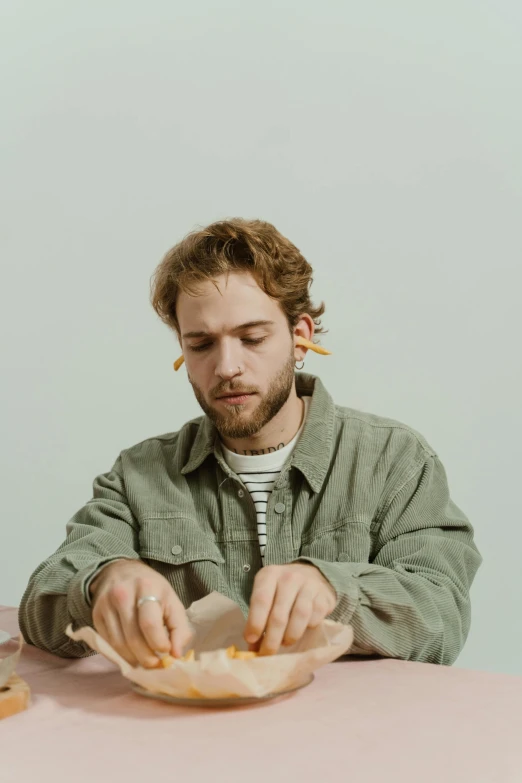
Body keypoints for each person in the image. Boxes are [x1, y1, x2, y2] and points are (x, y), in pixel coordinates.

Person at [19, 218, 482, 668]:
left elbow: (442, 617)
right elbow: (44, 600)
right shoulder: (139, 473)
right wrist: (101, 584)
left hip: (344, 735)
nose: (226, 367)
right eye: (200, 345)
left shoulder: (394, 460)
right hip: (182, 733)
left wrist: (334, 590)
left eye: (252, 337)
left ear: (300, 337)